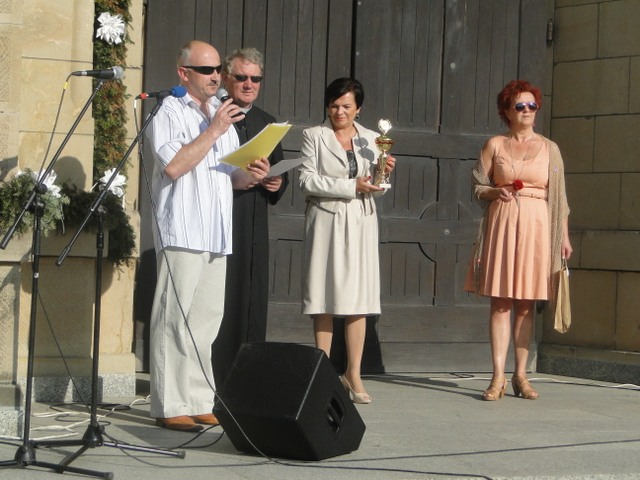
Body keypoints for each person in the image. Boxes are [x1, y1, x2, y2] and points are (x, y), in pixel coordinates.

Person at [147, 40, 269, 431]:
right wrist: (215, 129)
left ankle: (199, 399)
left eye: (218, 69)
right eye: (206, 70)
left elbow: (231, 177)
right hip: (182, 229)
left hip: (216, 232)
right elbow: (174, 165)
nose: (215, 76)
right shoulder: (168, 111)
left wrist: (255, 174)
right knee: (174, 318)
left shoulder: (220, 111)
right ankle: (170, 404)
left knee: (205, 321)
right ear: (183, 73)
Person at [464, 79, 572, 401]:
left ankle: (521, 375)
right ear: (507, 111)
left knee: (526, 304)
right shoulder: (495, 145)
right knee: (500, 302)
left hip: (538, 226)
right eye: (520, 106)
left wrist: (564, 238)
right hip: (503, 222)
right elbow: (477, 185)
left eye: (532, 105)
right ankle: (497, 376)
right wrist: (495, 191)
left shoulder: (551, 149)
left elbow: (560, 198)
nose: (527, 111)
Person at [298, 77, 395, 404]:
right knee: (323, 296)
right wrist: (351, 186)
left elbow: (376, 188)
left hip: (361, 221)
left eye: (346, 106)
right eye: (334, 105)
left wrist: (383, 173)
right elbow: (307, 180)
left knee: (359, 298)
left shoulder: (372, 139)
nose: (339, 112)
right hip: (326, 220)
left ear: (358, 109)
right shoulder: (314, 135)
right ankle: (322, 372)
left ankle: (353, 374)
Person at [212, 47, 289, 389]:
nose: (248, 84)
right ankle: (217, 376)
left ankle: (249, 377)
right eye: (241, 77)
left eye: (255, 78)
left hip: (256, 221)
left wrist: (276, 182)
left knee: (253, 297)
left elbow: (280, 173)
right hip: (224, 219)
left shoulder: (268, 122)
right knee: (224, 298)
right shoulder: (213, 115)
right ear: (226, 78)